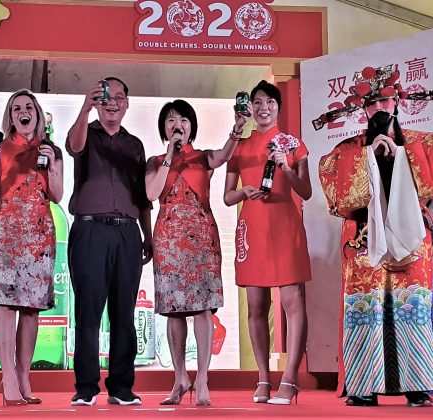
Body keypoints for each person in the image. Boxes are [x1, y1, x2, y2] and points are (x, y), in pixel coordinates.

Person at [316, 64, 433, 407]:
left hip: (409, 240)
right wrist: (368, 156)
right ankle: (363, 385)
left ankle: (417, 385)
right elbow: (337, 197)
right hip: (362, 239)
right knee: (365, 309)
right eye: (371, 103)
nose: (378, 108)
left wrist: (401, 157)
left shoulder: (422, 143)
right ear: (362, 109)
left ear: (397, 102)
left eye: (384, 101)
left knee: (411, 306)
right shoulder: (346, 151)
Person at [145, 99, 241, 406]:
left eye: (184, 120)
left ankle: (202, 378)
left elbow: (225, 155)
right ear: (164, 128)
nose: (178, 125)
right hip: (168, 241)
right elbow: (151, 193)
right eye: (172, 120)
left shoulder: (203, 157)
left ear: (192, 127)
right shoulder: (154, 161)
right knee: (173, 310)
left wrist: (237, 129)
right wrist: (168, 157)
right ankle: (179, 378)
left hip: (201, 240)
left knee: (203, 308)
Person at [224, 80, 312, 406]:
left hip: (285, 225)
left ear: (278, 107)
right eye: (257, 102)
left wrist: (286, 167)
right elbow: (227, 196)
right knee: (256, 306)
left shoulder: (293, 144)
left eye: (270, 102)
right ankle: (263, 378)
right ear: (250, 107)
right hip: (253, 227)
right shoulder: (240, 147)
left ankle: (290, 379)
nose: (263, 108)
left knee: (292, 301)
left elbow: (306, 192)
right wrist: (243, 192)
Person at [66, 77, 152, 406]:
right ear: (97, 102)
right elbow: (74, 147)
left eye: (119, 97)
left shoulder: (135, 145)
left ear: (127, 103)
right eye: (106, 97)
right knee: (88, 312)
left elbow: (142, 197)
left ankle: (121, 387)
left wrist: (147, 236)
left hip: (127, 232)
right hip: (90, 231)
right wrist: (85, 109)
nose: (112, 103)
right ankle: (86, 387)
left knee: (124, 313)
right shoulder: (85, 132)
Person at [0, 89, 64, 406]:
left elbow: (57, 195)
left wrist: (52, 165)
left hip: (39, 234)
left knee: (31, 309)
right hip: (4, 232)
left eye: (28, 107)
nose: (23, 112)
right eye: (16, 108)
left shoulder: (51, 149)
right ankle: (8, 378)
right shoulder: (1, 148)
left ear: (37, 114)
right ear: (11, 117)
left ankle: (24, 375)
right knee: (5, 305)